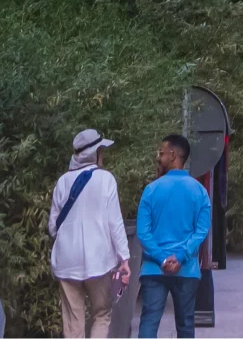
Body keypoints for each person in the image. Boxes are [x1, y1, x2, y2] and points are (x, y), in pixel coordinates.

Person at [48, 129, 129, 339]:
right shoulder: (106, 179)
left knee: (73, 322)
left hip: (66, 260)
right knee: (101, 313)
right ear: (95, 153)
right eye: (102, 150)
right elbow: (115, 222)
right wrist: (124, 258)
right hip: (99, 261)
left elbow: (52, 228)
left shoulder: (62, 182)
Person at [135, 133, 212, 339]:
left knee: (149, 321)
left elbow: (143, 232)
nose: (158, 157)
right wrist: (180, 256)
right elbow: (202, 231)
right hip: (186, 270)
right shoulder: (200, 192)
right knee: (186, 325)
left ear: (173, 155)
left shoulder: (151, 190)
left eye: (161, 153)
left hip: (153, 268)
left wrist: (161, 258)